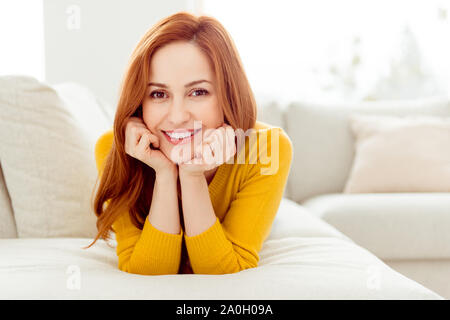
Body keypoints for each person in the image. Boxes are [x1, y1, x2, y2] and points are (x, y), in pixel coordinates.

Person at [88, 11, 293, 275]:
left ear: (228, 95)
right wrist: (164, 174)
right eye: (158, 94)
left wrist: (191, 175)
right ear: (140, 100)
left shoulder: (269, 148)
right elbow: (147, 271)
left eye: (198, 92)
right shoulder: (115, 150)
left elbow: (222, 271)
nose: (177, 117)